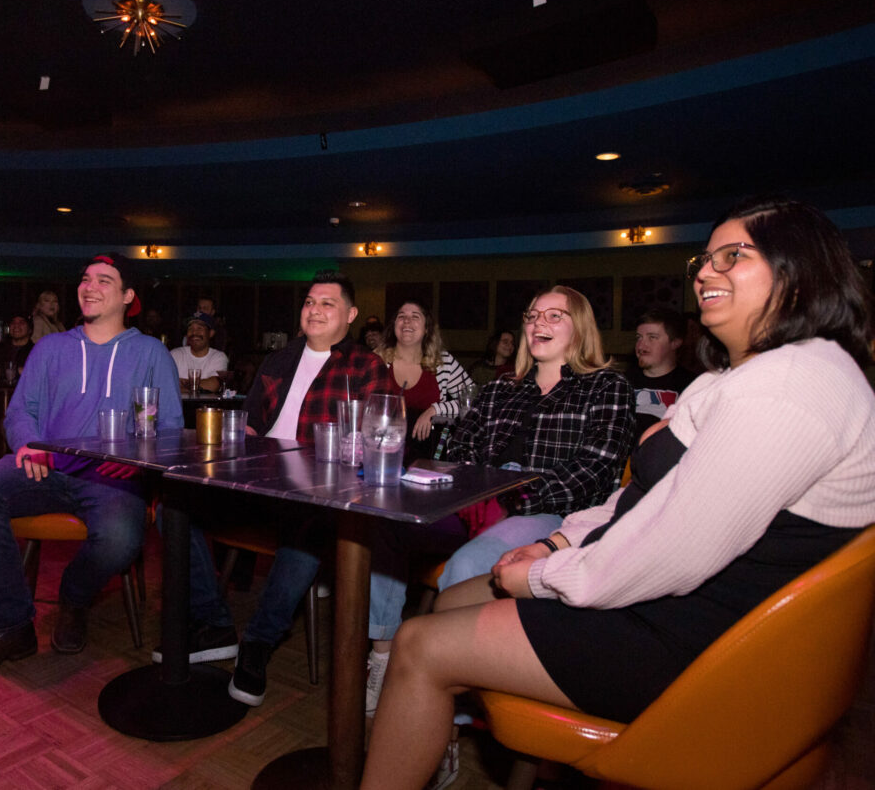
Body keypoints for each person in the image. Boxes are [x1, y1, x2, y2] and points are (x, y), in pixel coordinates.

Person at [359, 196, 875, 790]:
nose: (706, 271)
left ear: (799, 271)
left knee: (421, 643)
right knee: (452, 598)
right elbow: (637, 497)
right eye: (704, 260)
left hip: (699, 644)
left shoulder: (790, 387)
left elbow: (674, 551)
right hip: (658, 596)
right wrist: (556, 542)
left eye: (733, 256)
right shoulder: (743, 379)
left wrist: (550, 572)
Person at [363, 287, 633, 715]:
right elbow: (459, 452)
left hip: (549, 511)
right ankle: (382, 653)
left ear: (580, 330)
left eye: (554, 316)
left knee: (473, 566)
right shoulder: (500, 390)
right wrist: (469, 489)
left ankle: (451, 708)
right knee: (385, 523)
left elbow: (595, 470)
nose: (538, 323)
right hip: (477, 499)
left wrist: (515, 496)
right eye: (533, 315)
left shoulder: (606, 387)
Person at [0, 252, 182, 690]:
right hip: (47, 468)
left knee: (121, 538)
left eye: (104, 280)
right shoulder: (50, 348)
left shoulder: (151, 352)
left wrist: (139, 465)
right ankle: (10, 626)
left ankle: (73, 599)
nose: (89, 286)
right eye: (85, 278)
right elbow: (21, 412)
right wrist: (30, 446)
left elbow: (169, 429)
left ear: (128, 296)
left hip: (114, 479)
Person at [173, 270, 392, 707]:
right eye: (310, 302)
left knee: (307, 534)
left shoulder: (365, 367)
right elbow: (250, 424)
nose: (314, 309)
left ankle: (257, 643)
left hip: (318, 492)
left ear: (350, 315)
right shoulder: (278, 360)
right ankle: (216, 623)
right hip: (258, 481)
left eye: (327, 303)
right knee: (173, 505)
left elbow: (378, 441)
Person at [376, 300, 476, 461]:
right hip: (383, 454)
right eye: (401, 316)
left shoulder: (444, 362)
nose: (407, 321)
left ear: (426, 329)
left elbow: (474, 401)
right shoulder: (377, 361)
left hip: (431, 458)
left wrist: (435, 410)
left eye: (415, 316)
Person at [628, 307, 696, 447]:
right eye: (639, 338)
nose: (641, 345)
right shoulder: (621, 382)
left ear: (675, 343)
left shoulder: (692, 386)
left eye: (652, 337)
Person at [169, 312, 228, 393]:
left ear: (211, 333)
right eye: (190, 329)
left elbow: (213, 386)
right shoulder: (175, 354)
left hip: (206, 405)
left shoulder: (218, 357)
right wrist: (199, 385)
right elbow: (165, 384)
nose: (194, 333)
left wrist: (181, 384)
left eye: (199, 328)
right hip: (178, 405)